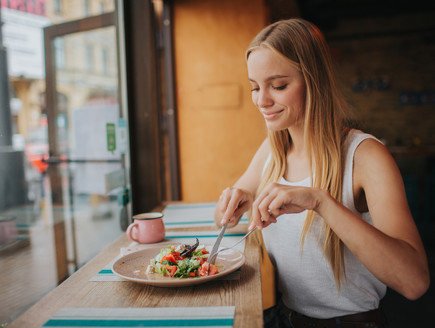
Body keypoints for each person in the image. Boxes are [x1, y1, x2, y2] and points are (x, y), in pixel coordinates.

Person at [214, 18, 430, 328]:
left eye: (278, 86)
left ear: (314, 80)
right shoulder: (273, 150)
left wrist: (321, 202)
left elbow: (414, 282)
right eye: (254, 87)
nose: (262, 100)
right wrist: (234, 201)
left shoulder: (366, 156)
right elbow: (223, 220)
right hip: (284, 319)